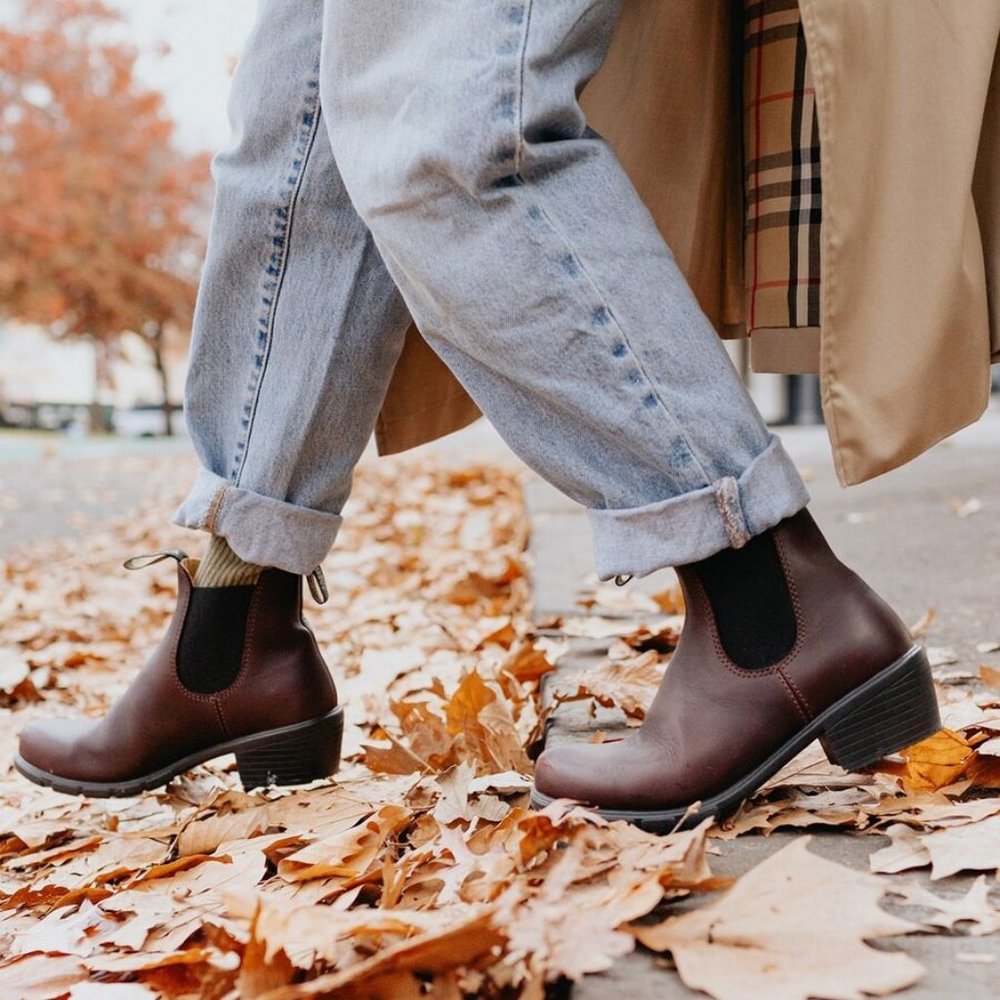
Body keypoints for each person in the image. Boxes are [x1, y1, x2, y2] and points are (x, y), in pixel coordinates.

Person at [14, 0, 943, 828]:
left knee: (448, 126)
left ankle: (770, 602)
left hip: (772, 608)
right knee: (291, 160)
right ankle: (230, 639)